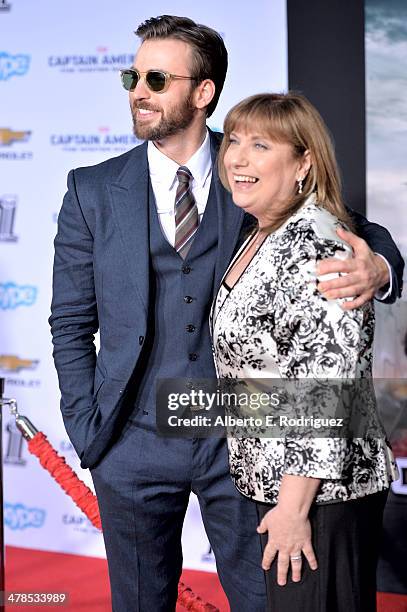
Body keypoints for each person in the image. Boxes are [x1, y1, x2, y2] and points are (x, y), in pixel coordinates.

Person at [49, 15, 403, 612]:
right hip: (131, 443)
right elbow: (69, 322)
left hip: (239, 440)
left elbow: (357, 229)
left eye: (157, 78)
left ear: (203, 92)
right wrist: (90, 430)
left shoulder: (255, 170)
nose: (139, 89)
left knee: (265, 599)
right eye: (132, 75)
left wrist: (380, 268)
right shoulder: (91, 189)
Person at [212, 91, 399, 611]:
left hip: (318, 494)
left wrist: (294, 508)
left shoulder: (316, 246)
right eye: (233, 141)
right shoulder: (262, 230)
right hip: (280, 483)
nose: (238, 158)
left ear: (304, 163)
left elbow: (324, 390)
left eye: (261, 145)